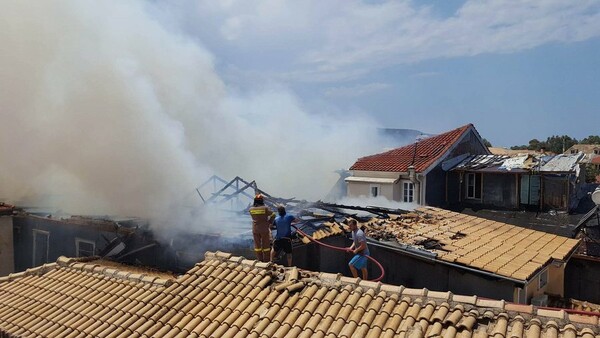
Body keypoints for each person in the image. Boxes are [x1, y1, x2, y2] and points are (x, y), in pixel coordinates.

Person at [249, 194, 275, 262]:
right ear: (262, 201)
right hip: (264, 228)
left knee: (257, 245)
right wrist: (270, 222)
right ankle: (266, 260)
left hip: (255, 229)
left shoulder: (251, 209)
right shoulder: (265, 208)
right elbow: (273, 215)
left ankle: (259, 259)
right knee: (266, 245)